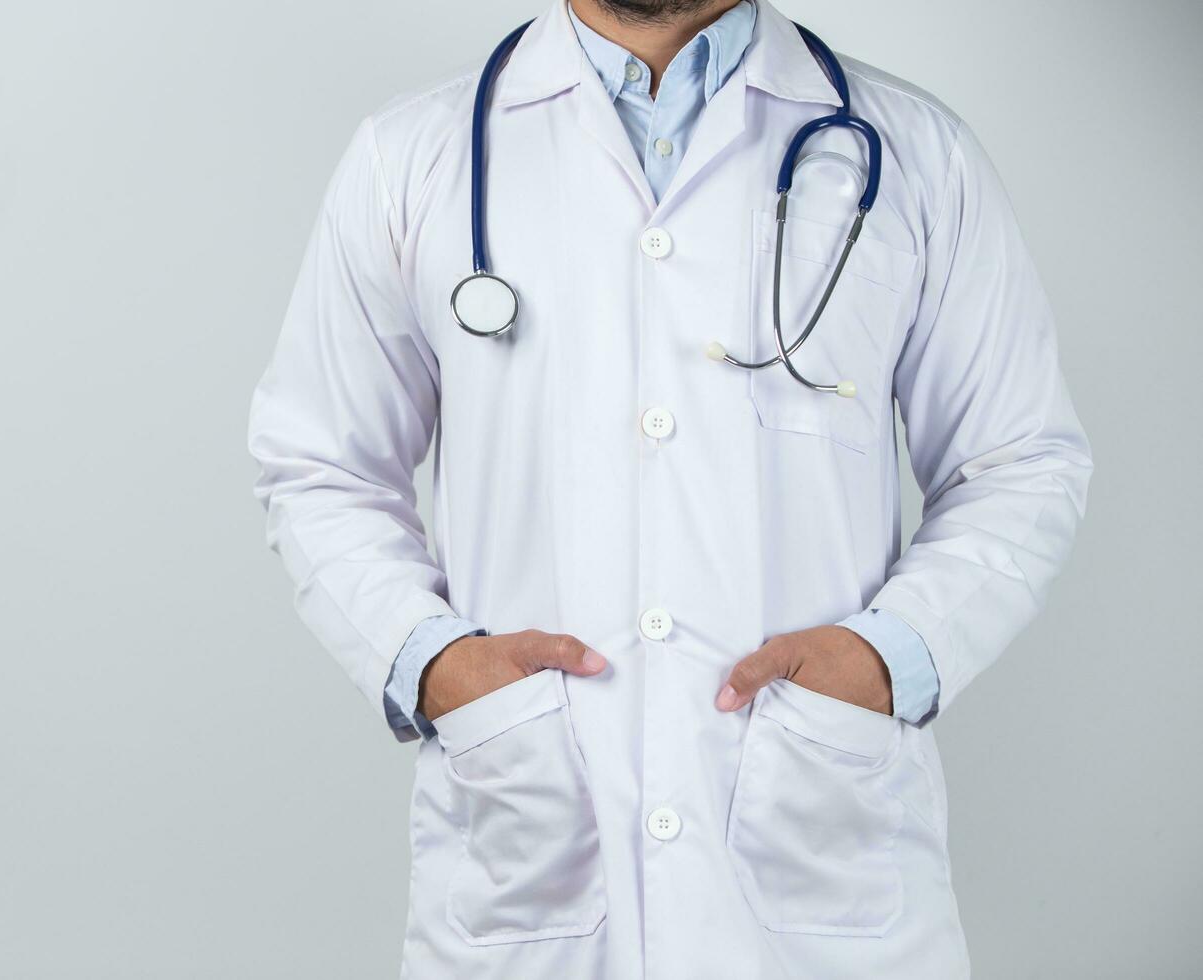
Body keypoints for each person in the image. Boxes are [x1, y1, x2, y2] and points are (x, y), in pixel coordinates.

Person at [247, 0, 1091, 975]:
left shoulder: (916, 157)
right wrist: (433, 663)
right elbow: (320, 462)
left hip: (819, 852)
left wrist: (891, 655)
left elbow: (1020, 462)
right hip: (531, 840)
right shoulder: (414, 157)